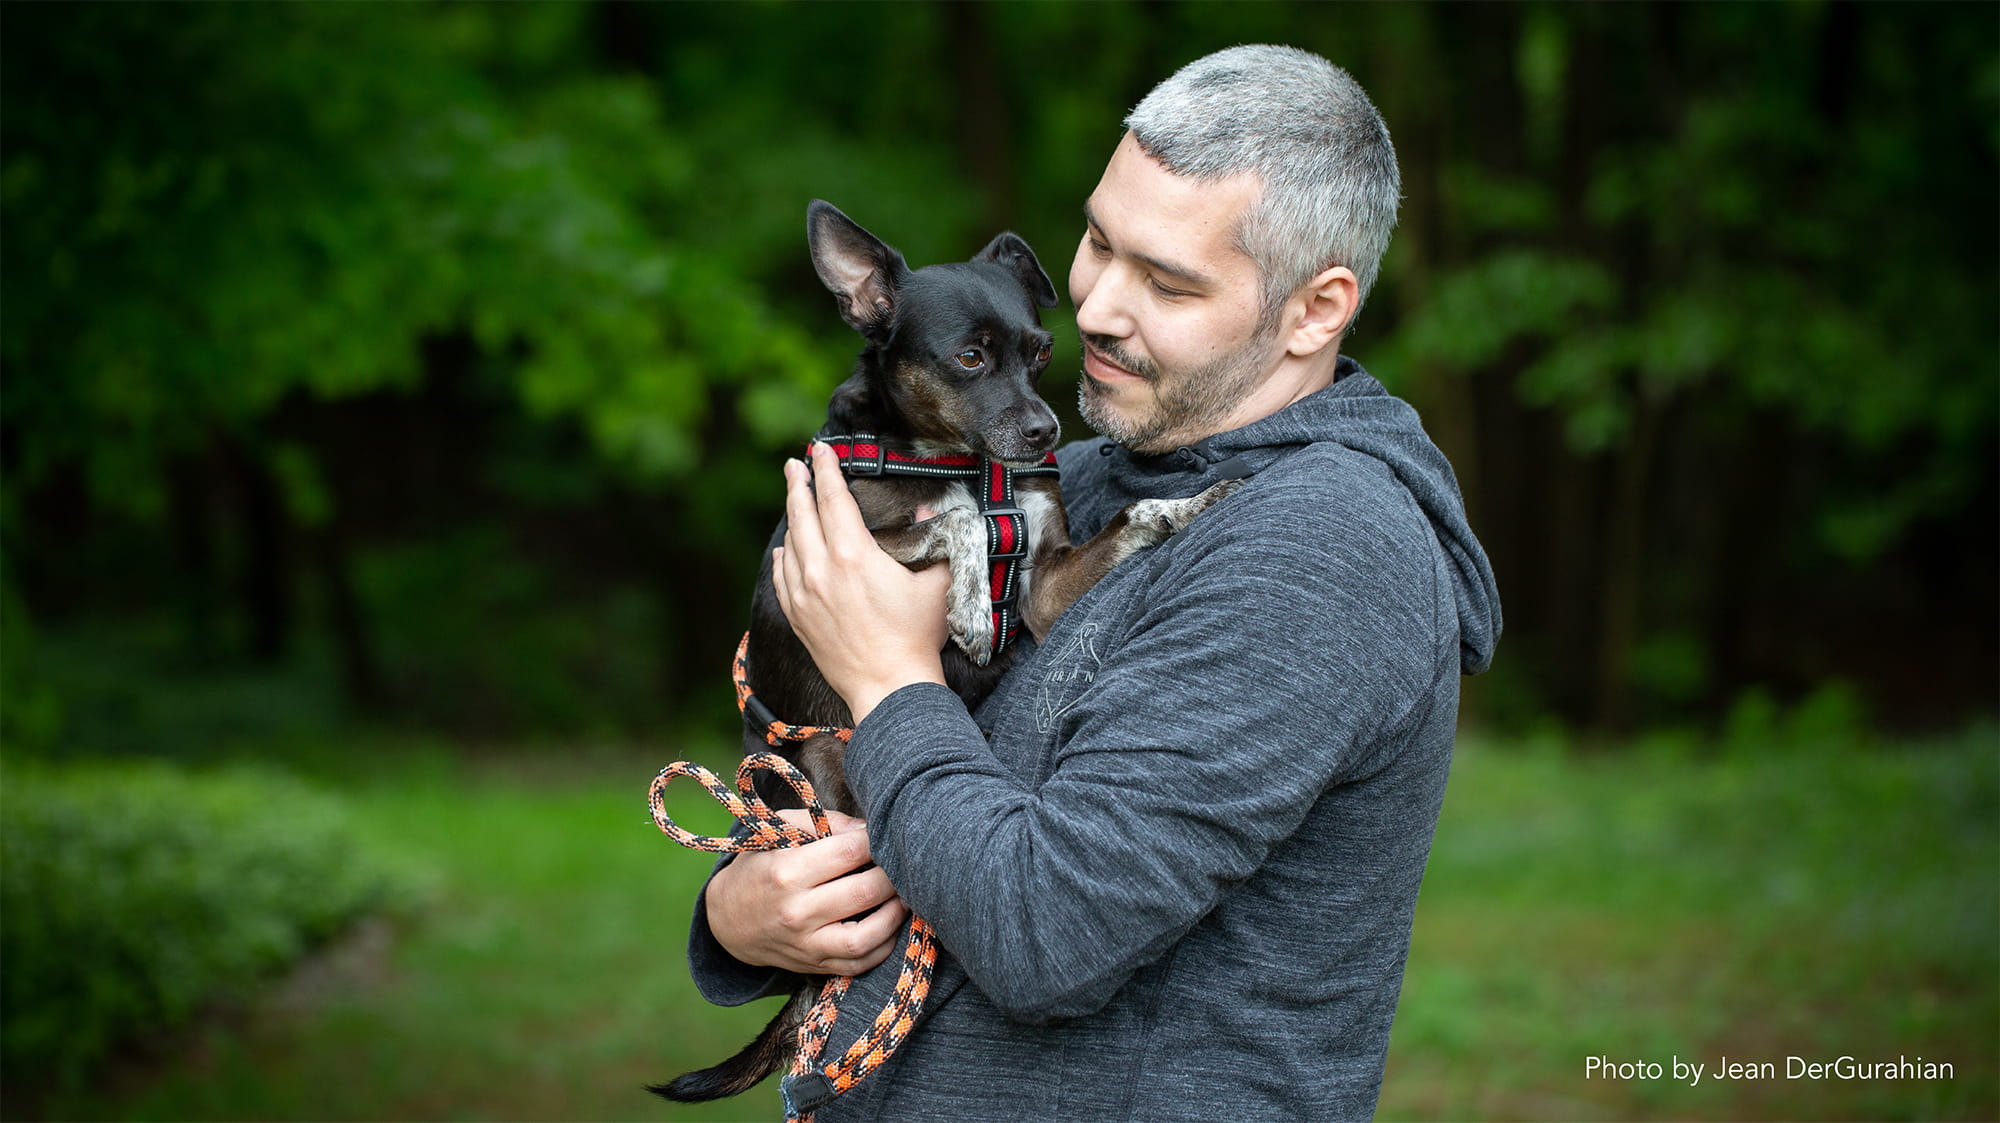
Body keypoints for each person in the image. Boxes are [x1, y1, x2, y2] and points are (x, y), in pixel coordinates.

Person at [690, 44, 1501, 1121]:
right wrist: (745, 913)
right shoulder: (1066, 475)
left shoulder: (1321, 551)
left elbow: (1044, 936)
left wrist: (886, 673)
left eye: (1166, 281)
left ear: (1314, 311)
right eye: (1099, 243)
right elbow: (874, 778)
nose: (1098, 307)